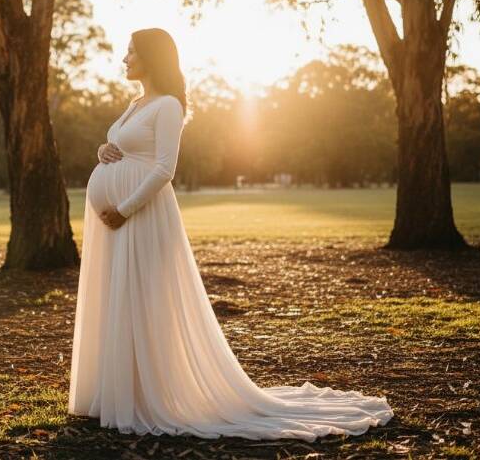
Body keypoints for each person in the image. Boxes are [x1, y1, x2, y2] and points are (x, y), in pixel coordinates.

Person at [67, 27, 394, 442]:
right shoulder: (135, 104)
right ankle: (118, 391)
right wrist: (103, 151)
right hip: (114, 223)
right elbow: (123, 146)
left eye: (131, 51)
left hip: (139, 217)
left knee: (143, 299)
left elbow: (164, 169)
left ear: (152, 56)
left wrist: (126, 209)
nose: (124, 57)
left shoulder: (168, 106)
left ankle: (149, 395)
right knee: (118, 299)